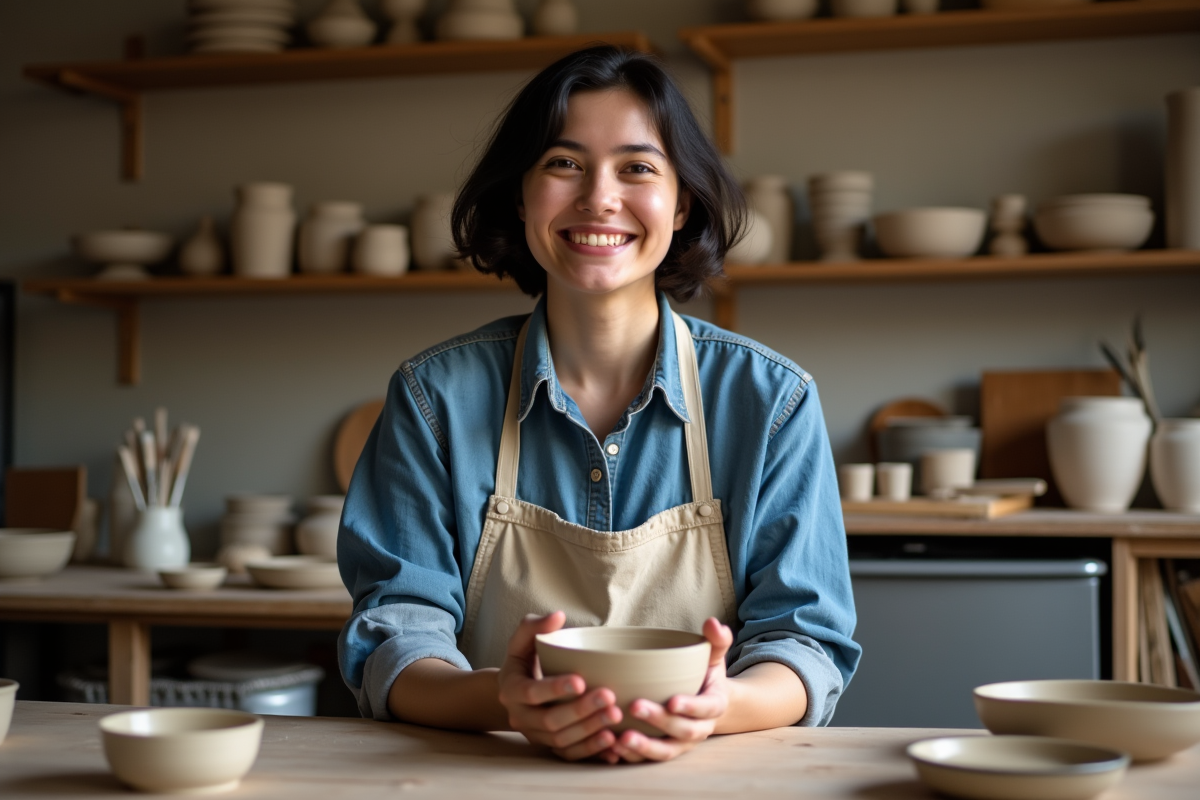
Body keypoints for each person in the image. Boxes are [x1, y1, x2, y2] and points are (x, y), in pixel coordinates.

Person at [337, 45, 859, 764]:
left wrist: (715, 708)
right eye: (563, 163)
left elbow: (806, 644)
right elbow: (395, 641)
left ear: (681, 204)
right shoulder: (435, 398)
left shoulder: (772, 401)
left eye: (637, 167)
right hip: (489, 775)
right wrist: (508, 702)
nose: (599, 198)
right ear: (521, 196)